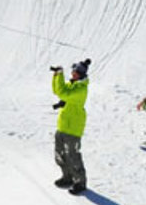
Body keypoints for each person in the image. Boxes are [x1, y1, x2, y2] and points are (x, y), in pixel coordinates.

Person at [50, 59, 90, 194]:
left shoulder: (81, 89)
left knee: (73, 156)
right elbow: (57, 90)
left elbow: (62, 93)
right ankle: (67, 177)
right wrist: (56, 75)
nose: (73, 74)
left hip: (73, 127)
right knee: (60, 154)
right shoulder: (72, 85)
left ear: (82, 74)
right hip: (62, 125)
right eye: (73, 71)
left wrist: (60, 75)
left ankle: (80, 182)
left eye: (76, 72)